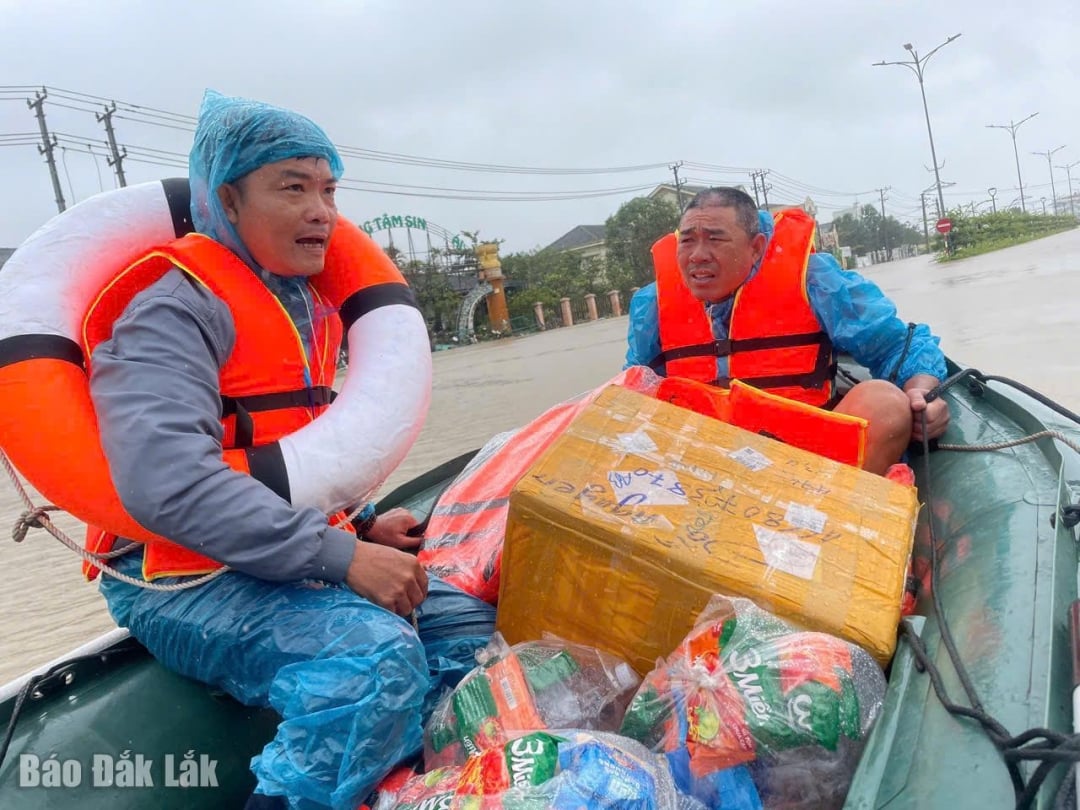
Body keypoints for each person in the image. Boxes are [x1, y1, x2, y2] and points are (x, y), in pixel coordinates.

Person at [89, 90, 495, 809]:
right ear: (229, 202)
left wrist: (362, 522)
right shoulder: (172, 311)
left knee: (466, 628)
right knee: (373, 664)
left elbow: (294, 447)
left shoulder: (304, 303)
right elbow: (169, 486)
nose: (321, 211)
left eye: (329, 189)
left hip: (281, 546)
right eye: (293, 187)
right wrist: (341, 557)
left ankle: (437, 788)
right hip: (182, 576)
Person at [626, 187, 949, 474]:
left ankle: (831, 522)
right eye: (687, 241)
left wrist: (921, 390)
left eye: (715, 239)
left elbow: (897, 345)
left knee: (886, 404)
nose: (697, 255)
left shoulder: (815, 280)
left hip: (807, 463)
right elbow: (634, 386)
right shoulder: (653, 302)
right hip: (702, 464)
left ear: (756, 247)